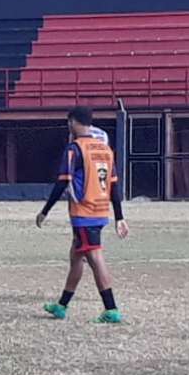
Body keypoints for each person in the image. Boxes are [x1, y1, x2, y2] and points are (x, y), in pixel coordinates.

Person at [36, 106, 129, 324]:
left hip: (83, 212)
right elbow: (114, 186)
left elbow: (63, 181)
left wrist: (45, 211)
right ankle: (61, 305)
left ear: (73, 122)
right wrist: (119, 216)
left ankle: (111, 308)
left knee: (94, 256)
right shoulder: (105, 149)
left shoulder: (75, 149)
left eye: (69, 123)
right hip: (100, 210)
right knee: (76, 255)